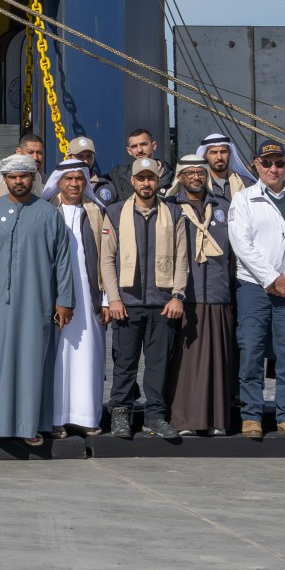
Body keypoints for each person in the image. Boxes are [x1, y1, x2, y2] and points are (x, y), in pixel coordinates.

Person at [0, 154, 74, 447]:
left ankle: (29, 425)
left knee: (31, 363)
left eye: (24, 176)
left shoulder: (48, 213)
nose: (19, 181)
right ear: (5, 179)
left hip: (36, 301)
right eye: (13, 177)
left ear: (33, 178)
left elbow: (62, 262)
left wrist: (64, 299)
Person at [229, 142, 285, 442]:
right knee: (252, 351)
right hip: (254, 287)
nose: (273, 169)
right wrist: (271, 278)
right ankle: (252, 415)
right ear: (256, 164)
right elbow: (242, 246)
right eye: (266, 163)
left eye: (279, 163)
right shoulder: (243, 200)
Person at [100, 158, 186, 441]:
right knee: (124, 363)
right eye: (141, 178)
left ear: (157, 181)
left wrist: (177, 295)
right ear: (133, 182)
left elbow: (181, 258)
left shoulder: (173, 213)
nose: (146, 183)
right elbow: (107, 259)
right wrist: (113, 299)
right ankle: (121, 412)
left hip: (162, 304)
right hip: (127, 303)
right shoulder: (114, 213)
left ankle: (155, 415)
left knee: (158, 363)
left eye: (151, 178)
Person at [168, 160, 239, 438]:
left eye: (200, 172)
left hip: (219, 293)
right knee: (186, 363)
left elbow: (235, 253)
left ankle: (217, 419)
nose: (195, 177)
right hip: (186, 294)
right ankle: (186, 419)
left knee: (219, 360)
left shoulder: (223, 206)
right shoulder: (171, 207)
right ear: (180, 177)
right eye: (190, 173)